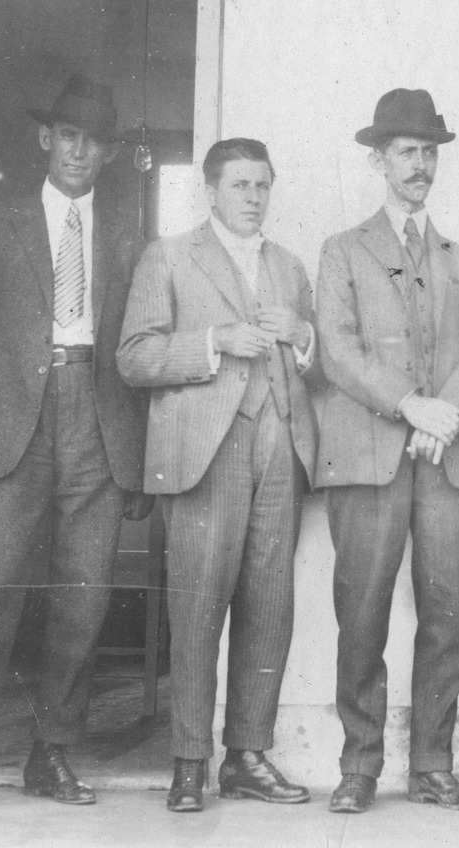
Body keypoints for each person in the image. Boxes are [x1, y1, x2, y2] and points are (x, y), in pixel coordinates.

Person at [0, 74, 147, 820]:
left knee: (84, 597)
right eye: (68, 136)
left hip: (97, 424)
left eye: (94, 142)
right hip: (13, 427)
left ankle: (51, 752)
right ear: (47, 140)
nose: (79, 152)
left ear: (108, 154)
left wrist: (138, 460)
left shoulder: (126, 237)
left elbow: (136, 351)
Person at [117, 138, 320, 812]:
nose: (253, 197)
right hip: (206, 450)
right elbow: (133, 358)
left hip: (280, 446)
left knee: (270, 606)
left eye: (262, 185)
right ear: (209, 192)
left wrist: (303, 335)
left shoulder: (289, 266)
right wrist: (213, 343)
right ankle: (188, 762)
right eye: (240, 185)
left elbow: (318, 363)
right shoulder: (169, 256)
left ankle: (248, 757)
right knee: (198, 606)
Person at [313, 88, 459, 813]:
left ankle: (433, 766)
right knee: (362, 610)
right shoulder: (342, 251)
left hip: (446, 457)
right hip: (368, 457)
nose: (419, 165)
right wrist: (410, 404)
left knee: (447, 609)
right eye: (405, 152)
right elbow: (337, 350)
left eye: (428, 152)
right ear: (378, 161)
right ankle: (359, 766)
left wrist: (440, 418)